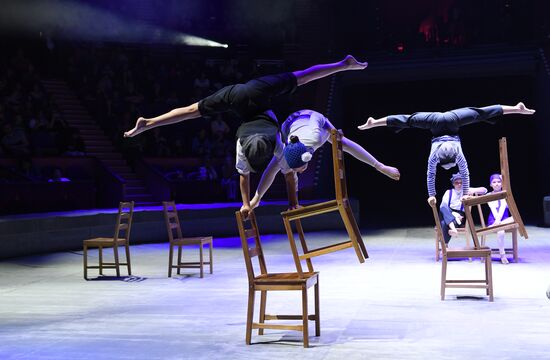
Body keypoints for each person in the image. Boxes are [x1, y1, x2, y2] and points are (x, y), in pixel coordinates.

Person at [124, 55, 369, 215]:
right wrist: (268, 201)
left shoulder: (270, 142)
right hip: (250, 95)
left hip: (241, 97)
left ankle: (149, 123)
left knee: (191, 111)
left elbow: (276, 174)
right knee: (302, 77)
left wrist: (251, 202)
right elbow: (280, 175)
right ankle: (343, 65)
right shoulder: (267, 142)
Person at [358, 103, 535, 199]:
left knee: (480, 113)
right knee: (408, 120)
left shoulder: (457, 156)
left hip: (453, 120)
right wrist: (432, 195)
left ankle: (516, 109)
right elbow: (430, 175)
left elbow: (464, 174)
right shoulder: (435, 157)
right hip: (434, 122)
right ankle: (374, 122)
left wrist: (462, 194)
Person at [245, 109, 400, 216]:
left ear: (307, 159)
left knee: (341, 141)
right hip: (288, 126)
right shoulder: (285, 151)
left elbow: (320, 118)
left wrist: (334, 131)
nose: (300, 171)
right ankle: (256, 200)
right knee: (275, 164)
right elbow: (286, 177)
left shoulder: (316, 137)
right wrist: (293, 203)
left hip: (311, 117)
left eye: (300, 168)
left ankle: (380, 165)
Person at [438, 173, 487, 245]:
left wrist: (473, 190)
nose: (459, 184)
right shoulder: (448, 192)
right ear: (453, 184)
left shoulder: (466, 191)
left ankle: (445, 246)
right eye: (457, 183)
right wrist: (453, 214)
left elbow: (485, 190)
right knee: (443, 206)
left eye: (461, 182)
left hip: (459, 217)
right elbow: (443, 207)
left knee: (444, 223)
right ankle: (453, 228)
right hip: (448, 212)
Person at [486, 173, 513, 264]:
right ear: (491, 184)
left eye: (499, 181)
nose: (497, 184)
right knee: (501, 231)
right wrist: (497, 221)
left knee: (514, 218)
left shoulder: (505, 194)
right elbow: (493, 209)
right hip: (493, 219)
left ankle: (499, 225)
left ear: (502, 183)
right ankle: (502, 255)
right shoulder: (488, 195)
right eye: (494, 182)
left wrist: (499, 222)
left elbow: (503, 208)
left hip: (504, 219)